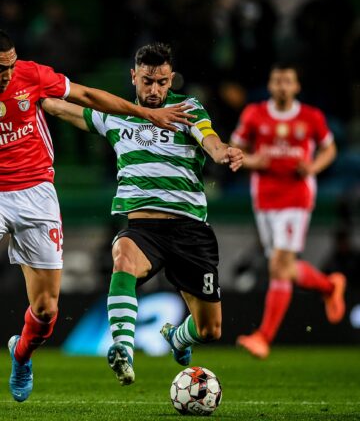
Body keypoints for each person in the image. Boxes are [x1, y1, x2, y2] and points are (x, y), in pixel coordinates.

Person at [0, 29, 194, 403]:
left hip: (35, 193)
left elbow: (87, 96)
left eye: (10, 66)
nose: (8, 76)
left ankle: (21, 354)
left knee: (46, 311)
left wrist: (143, 112)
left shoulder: (32, 75)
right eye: (0, 69)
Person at [42, 42, 244, 386]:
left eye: (162, 82)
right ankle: (122, 347)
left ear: (171, 80)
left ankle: (178, 337)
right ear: (134, 76)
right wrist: (27, 93)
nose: (155, 90)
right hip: (142, 228)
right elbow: (61, 109)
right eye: (148, 81)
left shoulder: (187, 109)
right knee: (122, 257)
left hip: (190, 229)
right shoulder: (116, 114)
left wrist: (224, 152)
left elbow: (211, 141)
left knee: (210, 329)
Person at [230, 63, 346, 359]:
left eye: (288, 81)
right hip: (265, 198)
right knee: (285, 268)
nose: (282, 86)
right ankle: (329, 285)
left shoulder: (311, 117)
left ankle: (264, 337)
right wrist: (257, 161)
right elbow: (235, 148)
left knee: (279, 265)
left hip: (296, 196)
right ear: (270, 85)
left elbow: (329, 149)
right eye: (277, 80)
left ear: (296, 87)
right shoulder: (254, 114)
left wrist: (313, 167)